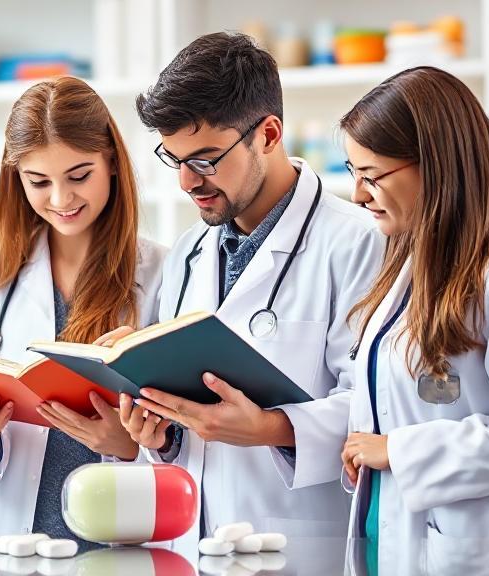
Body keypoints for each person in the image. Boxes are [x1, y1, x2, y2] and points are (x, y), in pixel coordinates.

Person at [100, 32, 384, 554]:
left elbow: (377, 411)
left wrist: (270, 428)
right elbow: (188, 433)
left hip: (298, 547)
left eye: (205, 160)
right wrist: (161, 432)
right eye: (174, 159)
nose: (187, 182)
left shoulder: (358, 242)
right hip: (195, 546)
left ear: (268, 134)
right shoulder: (188, 252)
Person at [0, 76, 166, 542]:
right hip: (19, 541)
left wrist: (129, 447)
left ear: (111, 162)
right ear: (16, 178)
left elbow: (190, 444)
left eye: (79, 176)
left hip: (121, 538)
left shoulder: (163, 273)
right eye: (39, 182)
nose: (61, 199)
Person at [339, 66, 489, 576]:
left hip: (469, 548)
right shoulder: (414, 253)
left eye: (372, 175)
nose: (357, 195)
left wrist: (397, 451)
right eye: (353, 172)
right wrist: (369, 445)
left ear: (436, 164)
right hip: (390, 533)